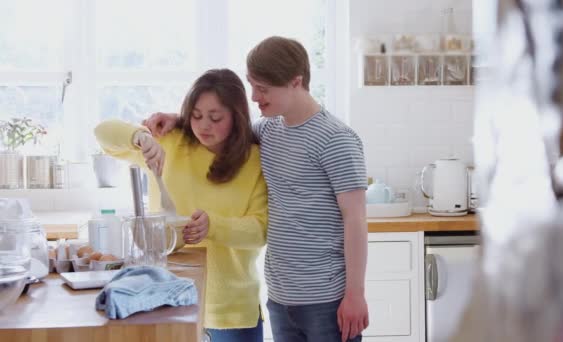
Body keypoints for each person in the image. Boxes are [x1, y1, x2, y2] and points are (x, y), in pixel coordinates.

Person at [144, 36, 369, 342]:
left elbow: (355, 220)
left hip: (325, 298)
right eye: (251, 85)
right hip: (279, 297)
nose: (254, 97)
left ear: (296, 82)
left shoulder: (336, 140)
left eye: (262, 88)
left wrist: (355, 294)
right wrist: (180, 119)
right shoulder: (268, 131)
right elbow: (224, 129)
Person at [94, 69, 268, 342]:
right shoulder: (170, 143)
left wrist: (213, 226)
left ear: (237, 116)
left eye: (215, 117)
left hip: (231, 310)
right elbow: (102, 133)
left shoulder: (254, 160)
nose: (203, 126)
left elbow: (260, 229)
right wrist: (140, 136)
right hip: (166, 299)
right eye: (196, 116)